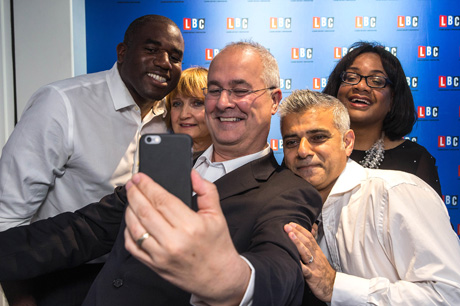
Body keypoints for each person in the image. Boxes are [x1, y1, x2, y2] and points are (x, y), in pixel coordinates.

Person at [0, 42, 322, 305]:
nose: (224, 103)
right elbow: (84, 230)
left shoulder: (288, 191)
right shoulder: (167, 166)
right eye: (214, 90)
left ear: (274, 100)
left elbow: (280, 272)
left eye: (240, 90)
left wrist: (233, 279)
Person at [0, 14, 184, 305]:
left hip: (143, 282)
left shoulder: (176, 118)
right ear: (122, 53)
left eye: (175, 57)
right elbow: (7, 218)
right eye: (151, 50)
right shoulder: (62, 104)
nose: (164, 62)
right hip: (63, 280)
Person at [279, 89, 460, 305]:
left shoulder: (396, 192)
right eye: (291, 142)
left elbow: (450, 295)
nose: (302, 151)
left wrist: (334, 285)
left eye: (318, 137)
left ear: (347, 142)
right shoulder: (292, 212)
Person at [323, 41, 442, 196]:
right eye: (351, 77)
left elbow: (431, 219)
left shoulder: (415, 159)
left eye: (376, 81)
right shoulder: (310, 148)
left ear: (392, 99)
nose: (361, 86)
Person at [165, 67, 212, 158]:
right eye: (177, 104)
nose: (183, 115)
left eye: (197, 103)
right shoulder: (160, 158)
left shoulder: (235, 163)